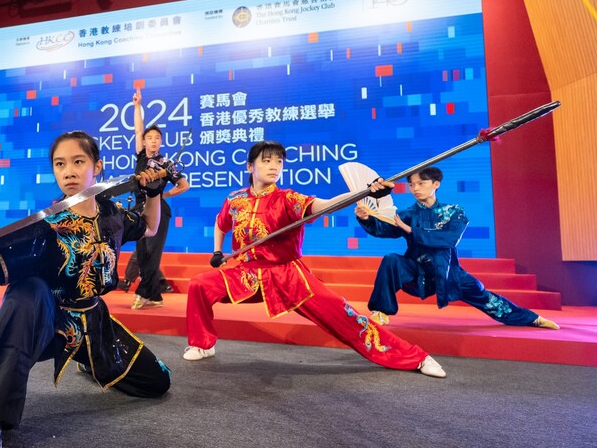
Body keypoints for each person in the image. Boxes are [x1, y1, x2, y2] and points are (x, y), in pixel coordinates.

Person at [0, 130, 172, 448]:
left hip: (94, 322)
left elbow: (149, 227)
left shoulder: (113, 214)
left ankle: (89, 363)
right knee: (25, 291)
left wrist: (153, 194)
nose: (69, 171)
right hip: (48, 323)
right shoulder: (48, 223)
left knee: (158, 381)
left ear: (97, 167)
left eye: (78, 162)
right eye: (60, 164)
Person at [183, 140, 446, 379]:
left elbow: (326, 204)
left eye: (279, 162)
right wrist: (217, 252)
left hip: (289, 277)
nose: (274, 166)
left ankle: (415, 357)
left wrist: (365, 192)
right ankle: (202, 344)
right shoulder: (235, 199)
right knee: (199, 285)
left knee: (347, 318)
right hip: (248, 274)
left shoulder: (288, 199)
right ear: (250, 166)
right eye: (267, 161)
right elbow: (221, 224)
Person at [354, 167, 559, 329]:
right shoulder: (407, 214)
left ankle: (530, 318)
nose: (415, 188)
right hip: (416, 271)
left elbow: (448, 239)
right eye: (411, 184)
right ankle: (380, 311)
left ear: (436, 184)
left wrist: (410, 230)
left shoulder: (453, 212)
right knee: (391, 260)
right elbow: (384, 230)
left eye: (421, 183)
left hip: (448, 271)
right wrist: (366, 219)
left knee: (483, 295)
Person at [119, 89, 190, 310]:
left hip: (159, 211)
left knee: (152, 253)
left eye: (157, 138)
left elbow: (184, 185)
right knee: (142, 253)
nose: (153, 141)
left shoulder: (166, 164)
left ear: (161, 142)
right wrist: (137, 106)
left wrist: (163, 195)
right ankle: (155, 296)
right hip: (139, 209)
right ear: (144, 141)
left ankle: (143, 293)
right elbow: (138, 128)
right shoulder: (140, 155)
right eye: (149, 138)